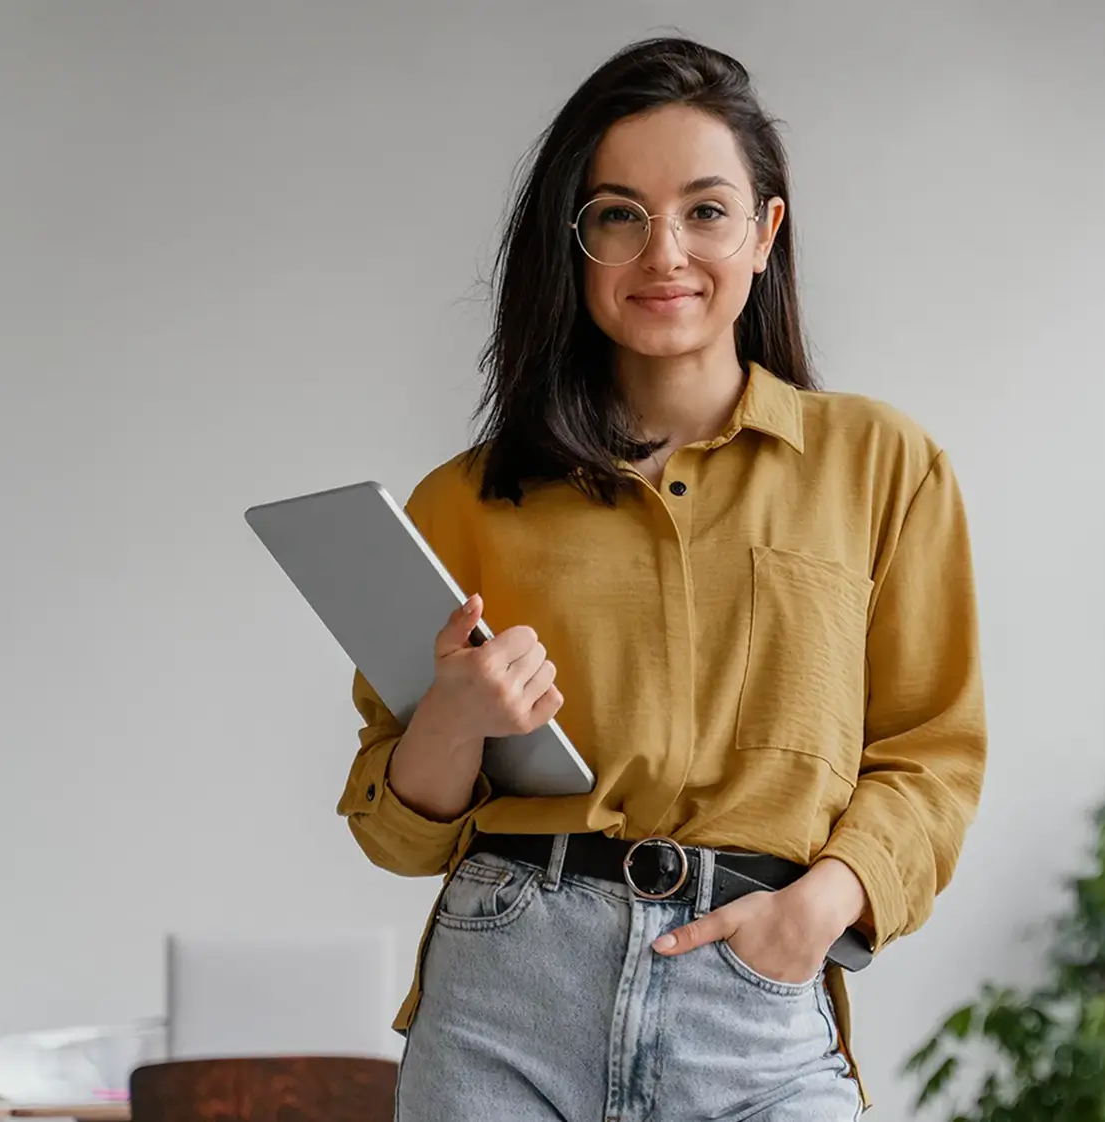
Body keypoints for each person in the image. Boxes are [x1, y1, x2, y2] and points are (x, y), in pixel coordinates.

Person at [337, 35, 987, 1122]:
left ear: (765, 233)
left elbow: (932, 756)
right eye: (618, 216)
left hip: (755, 1000)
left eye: (705, 211)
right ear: (574, 241)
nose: (664, 253)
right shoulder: (463, 502)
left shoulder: (883, 466)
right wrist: (452, 716)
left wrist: (819, 907)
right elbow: (398, 831)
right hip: (503, 995)